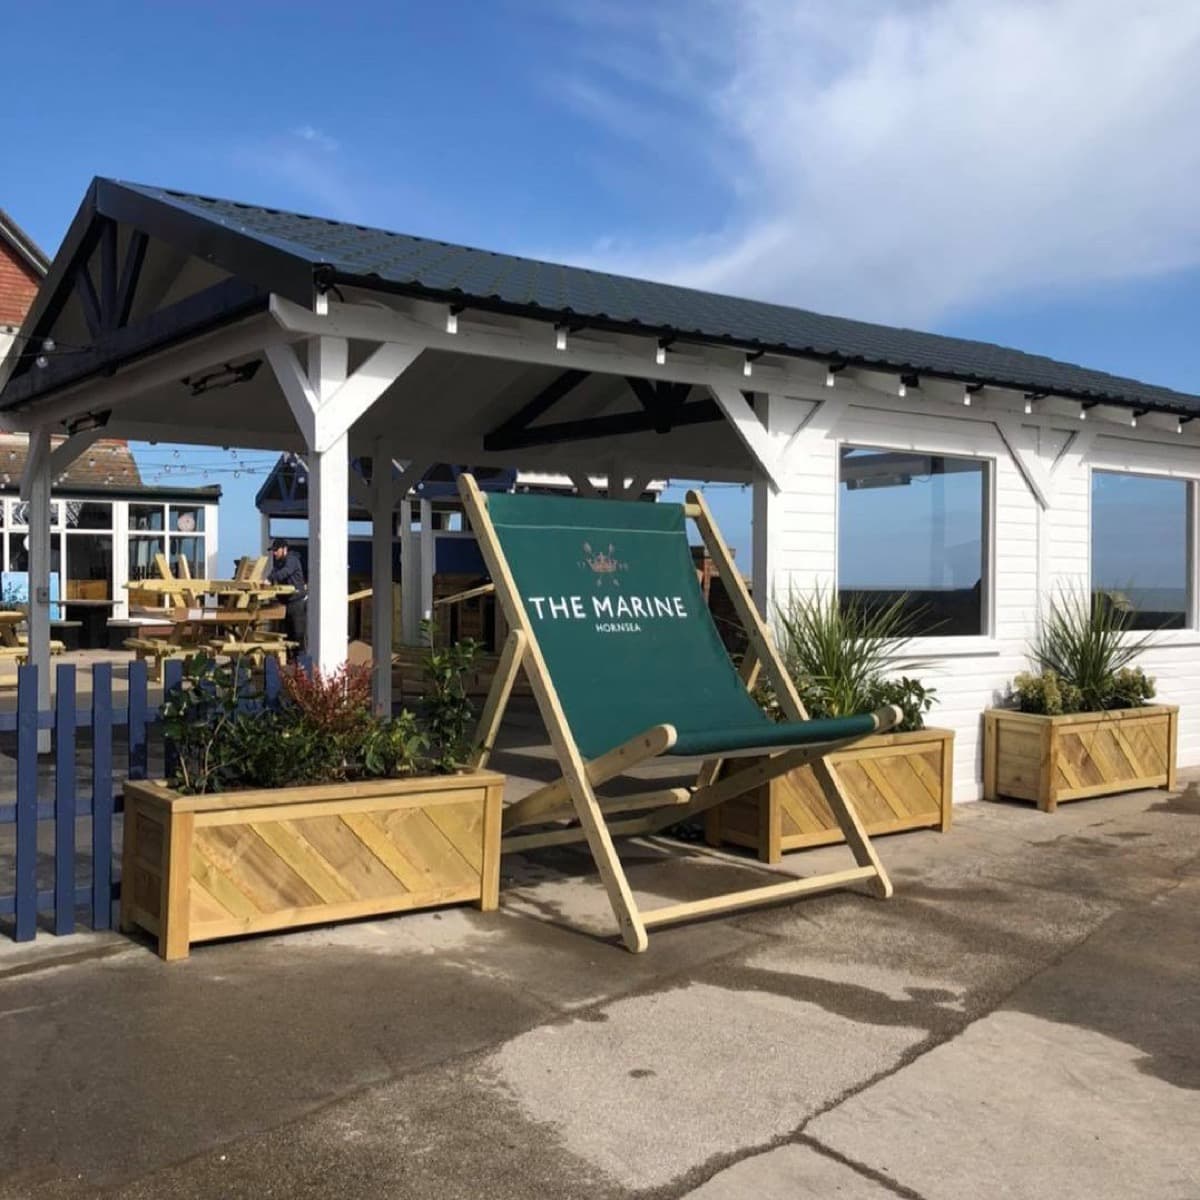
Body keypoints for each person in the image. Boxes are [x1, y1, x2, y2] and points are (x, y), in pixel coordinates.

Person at [267, 537, 307, 656]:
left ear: (284, 549)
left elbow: (285, 572)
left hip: (297, 603)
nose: (274, 553)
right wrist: (267, 580)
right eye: (273, 551)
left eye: (276, 550)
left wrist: (271, 579)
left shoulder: (292, 560)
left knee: (298, 635)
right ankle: (290, 664)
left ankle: (301, 665)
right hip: (287, 603)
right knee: (288, 636)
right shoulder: (279, 563)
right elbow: (273, 573)